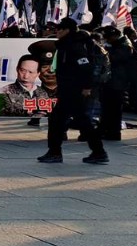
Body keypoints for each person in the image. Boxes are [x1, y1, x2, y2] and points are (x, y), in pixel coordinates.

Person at [39, 18, 107, 164]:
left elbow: (85, 67)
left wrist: (87, 87)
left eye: (60, 29)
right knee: (66, 120)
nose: (57, 32)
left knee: (75, 121)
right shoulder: (67, 44)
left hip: (74, 89)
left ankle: (97, 152)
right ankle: (96, 152)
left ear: (67, 30)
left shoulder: (75, 45)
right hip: (68, 88)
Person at [99, 26, 137, 141]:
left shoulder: (125, 45)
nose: (107, 40)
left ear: (114, 36)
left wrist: (105, 51)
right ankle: (105, 129)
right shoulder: (117, 44)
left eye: (108, 38)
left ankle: (114, 132)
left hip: (118, 81)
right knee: (107, 107)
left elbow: (114, 58)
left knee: (114, 108)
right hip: (111, 80)